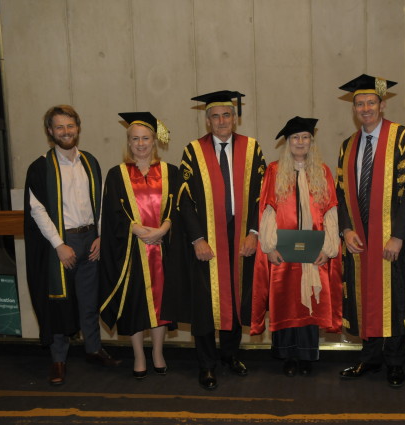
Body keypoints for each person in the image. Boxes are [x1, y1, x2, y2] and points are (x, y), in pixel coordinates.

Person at [335, 74, 405, 388]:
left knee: (394, 296)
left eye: (371, 102)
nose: (365, 108)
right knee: (366, 297)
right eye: (359, 104)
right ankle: (369, 358)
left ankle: (395, 362)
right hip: (360, 238)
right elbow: (341, 194)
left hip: (393, 237)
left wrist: (398, 236)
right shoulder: (348, 146)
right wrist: (346, 229)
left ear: (382, 104)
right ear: (354, 109)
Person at [23, 105, 121, 386]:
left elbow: (100, 203)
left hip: (90, 240)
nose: (66, 131)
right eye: (59, 127)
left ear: (78, 127)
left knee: (89, 300)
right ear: (50, 131)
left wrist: (100, 236)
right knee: (59, 302)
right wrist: (59, 245)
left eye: (70, 126)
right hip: (61, 243)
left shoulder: (90, 161)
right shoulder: (40, 167)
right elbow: (37, 210)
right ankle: (58, 359)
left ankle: (93, 349)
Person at [178, 90, 266, 390]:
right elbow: (184, 201)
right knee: (205, 302)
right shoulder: (193, 151)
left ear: (235, 118)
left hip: (240, 234)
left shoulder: (252, 149)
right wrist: (197, 239)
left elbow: (262, 195)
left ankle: (230, 354)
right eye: (215, 116)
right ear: (207, 121)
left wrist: (254, 232)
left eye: (226, 115)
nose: (221, 121)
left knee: (236, 296)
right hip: (208, 238)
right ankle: (206, 364)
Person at [251, 116, 342, 377]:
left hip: (314, 252)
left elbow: (330, 212)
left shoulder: (322, 172)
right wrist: (269, 247)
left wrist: (329, 248)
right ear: (287, 142)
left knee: (310, 303)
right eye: (295, 138)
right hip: (284, 251)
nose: (300, 142)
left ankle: (306, 356)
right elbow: (268, 210)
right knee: (285, 301)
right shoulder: (274, 170)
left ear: (311, 142)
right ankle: (287, 356)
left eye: (305, 137)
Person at [99, 112, 182, 379]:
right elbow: (112, 213)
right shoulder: (117, 174)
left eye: (145, 138)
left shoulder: (170, 172)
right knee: (134, 305)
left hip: (162, 249)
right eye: (135, 139)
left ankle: (158, 353)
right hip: (132, 252)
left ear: (154, 141)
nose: (141, 144)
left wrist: (164, 229)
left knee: (161, 305)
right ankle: (138, 355)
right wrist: (135, 229)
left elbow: (179, 209)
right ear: (128, 142)